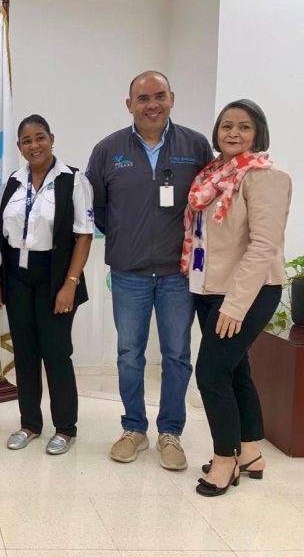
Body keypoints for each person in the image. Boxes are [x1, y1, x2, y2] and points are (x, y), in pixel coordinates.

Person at [85, 71, 212, 470]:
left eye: (159, 96)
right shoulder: (108, 150)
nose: (152, 105)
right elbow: (96, 208)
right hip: (129, 272)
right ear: (129, 105)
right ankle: (134, 428)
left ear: (172, 98)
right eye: (143, 98)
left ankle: (170, 432)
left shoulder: (195, 146)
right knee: (129, 353)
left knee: (177, 354)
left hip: (179, 273)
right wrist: (127, 238)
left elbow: (209, 201)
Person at [182, 100, 291, 496]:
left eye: (244, 127)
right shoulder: (212, 175)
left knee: (211, 374)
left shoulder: (265, 178)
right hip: (210, 288)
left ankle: (225, 459)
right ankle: (250, 452)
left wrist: (235, 304)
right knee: (235, 369)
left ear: (258, 133)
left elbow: (263, 247)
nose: (233, 132)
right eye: (226, 125)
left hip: (248, 291)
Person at [0, 114, 94, 455]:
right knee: (25, 353)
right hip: (17, 277)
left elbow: (84, 235)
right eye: (27, 140)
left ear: (51, 139)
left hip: (56, 277)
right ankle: (30, 424)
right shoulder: (13, 181)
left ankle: (65, 428)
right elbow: (3, 233)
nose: (34, 145)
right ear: (19, 146)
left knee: (56, 353)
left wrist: (70, 283)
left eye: (40, 137)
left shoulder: (73, 180)